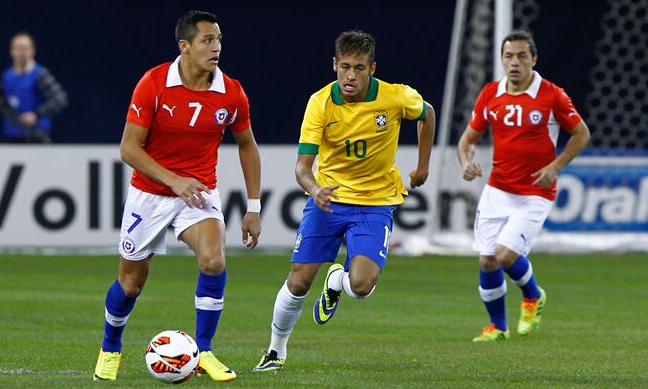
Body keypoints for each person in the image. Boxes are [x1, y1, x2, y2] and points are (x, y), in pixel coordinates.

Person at [93, 10, 261, 382]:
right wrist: (174, 181)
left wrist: (253, 207)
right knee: (130, 284)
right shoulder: (154, 84)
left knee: (214, 261)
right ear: (184, 46)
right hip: (149, 194)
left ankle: (204, 352)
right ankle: (110, 346)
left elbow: (247, 146)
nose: (216, 47)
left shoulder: (231, 92)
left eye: (218, 40)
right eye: (207, 40)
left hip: (198, 193)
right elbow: (129, 149)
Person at [252, 30, 435, 373]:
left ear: (372, 69)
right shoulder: (320, 103)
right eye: (345, 67)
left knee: (363, 286)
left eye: (360, 68)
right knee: (299, 281)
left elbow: (427, 114)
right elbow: (302, 167)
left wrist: (423, 165)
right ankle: (276, 350)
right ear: (335, 65)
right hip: (328, 200)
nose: (351, 75)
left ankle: (337, 281)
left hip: (375, 203)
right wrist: (315, 187)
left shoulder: (396, 97)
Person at [457, 30, 590, 342]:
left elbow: (581, 134)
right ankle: (497, 326)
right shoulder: (490, 94)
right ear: (502, 60)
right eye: (508, 56)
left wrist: (555, 167)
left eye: (521, 56)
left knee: (504, 255)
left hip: (535, 192)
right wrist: (466, 162)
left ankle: (533, 296)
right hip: (497, 189)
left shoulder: (552, 95)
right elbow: (467, 140)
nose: (514, 62)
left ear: (534, 59)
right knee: (487, 259)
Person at [1, 32, 67, 142]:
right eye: (18, 49)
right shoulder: (6, 75)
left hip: (36, 136)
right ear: (11, 51)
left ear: (32, 51)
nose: (21, 53)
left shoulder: (40, 74)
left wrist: (37, 114)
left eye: (25, 49)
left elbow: (60, 99)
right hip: (12, 136)